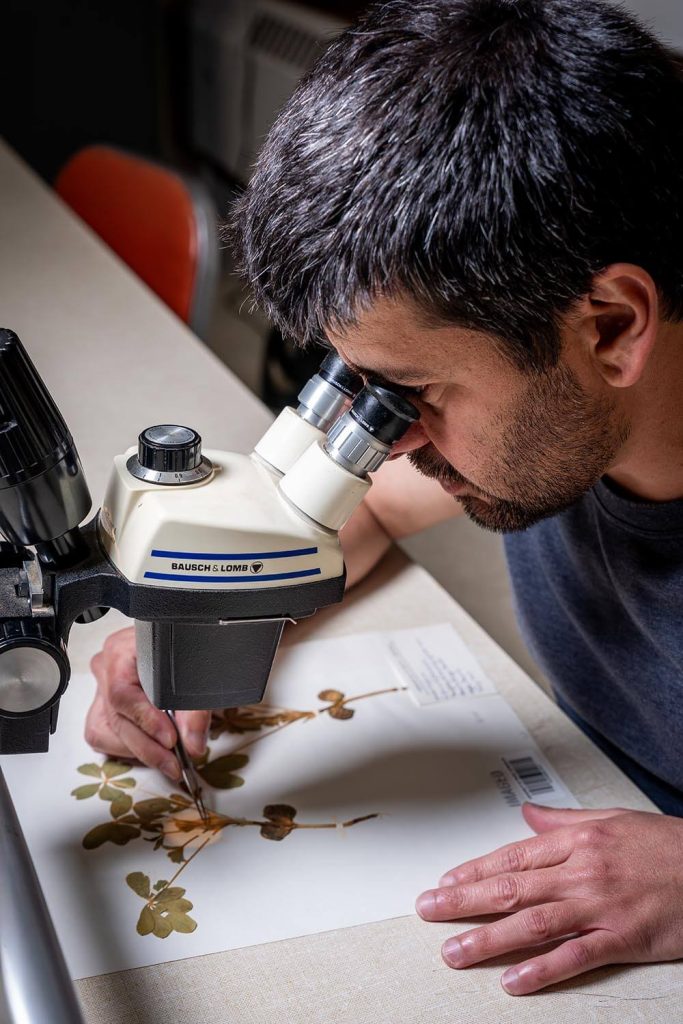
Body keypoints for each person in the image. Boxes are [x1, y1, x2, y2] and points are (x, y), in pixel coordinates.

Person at [87, 0, 683, 997]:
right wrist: (230, 599)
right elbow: (371, 505)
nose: (388, 442)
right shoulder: (559, 408)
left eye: (414, 392)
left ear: (612, 325)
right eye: (362, 392)